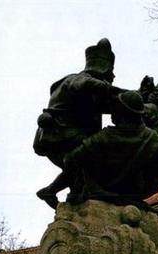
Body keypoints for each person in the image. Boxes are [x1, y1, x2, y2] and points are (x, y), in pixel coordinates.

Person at [33, 38, 123, 209]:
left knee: (79, 167)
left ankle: (58, 192)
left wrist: (136, 95)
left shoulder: (89, 90)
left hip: (61, 134)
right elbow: (82, 85)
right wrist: (110, 88)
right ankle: (85, 189)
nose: (111, 78)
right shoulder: (77, 79)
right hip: (59, 134)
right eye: (109, 74)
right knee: (94, 149)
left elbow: (112, 104)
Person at [63, 90, 158, 204]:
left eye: (114, 109)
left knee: (84, 160)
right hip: (136, 190)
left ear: (120, 113)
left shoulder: (103, 137)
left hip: (104, 187)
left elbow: (70, 159)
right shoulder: (150, 138)